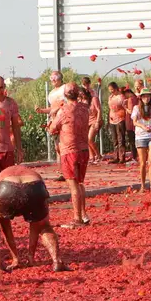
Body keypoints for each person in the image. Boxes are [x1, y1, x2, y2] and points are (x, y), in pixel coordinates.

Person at [0, 165, 67, 272]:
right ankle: (57, 261)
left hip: (7, 188)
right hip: (35, 187)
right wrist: (30, 256)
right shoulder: (30, 171)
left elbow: (5, 227)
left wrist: (15, 257)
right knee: (44, 225)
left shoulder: (1, 175)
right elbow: (35, 224)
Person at [48, 83, 91, 226]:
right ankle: (83, 215)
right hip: (84, 149)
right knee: (80, 183)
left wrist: (53, 114)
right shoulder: (85, 109)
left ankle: (77, 218)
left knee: (73, 185)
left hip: (69, 151)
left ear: (65, 95)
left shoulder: (63, 111)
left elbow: (53, 129)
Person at [132, 92, 151, 192]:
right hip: (140, 136)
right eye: (144, 96)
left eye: (148, 96)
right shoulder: (136, 108)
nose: (146, 98)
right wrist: (143, 126)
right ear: (141, 98)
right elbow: (134, 122)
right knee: (143, 163)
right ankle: (143, 185)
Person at [81, 76, 103, 161]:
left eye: (86, 84)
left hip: (94, 120)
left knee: (90, 138)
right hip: (86, 121)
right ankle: (92, 156)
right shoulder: (82, 100)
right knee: (87, 139)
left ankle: (98, 155)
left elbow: (99, 110)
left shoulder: (94, 97)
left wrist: (97, 121)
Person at [107, 84, 128, 164]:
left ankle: (122, 157)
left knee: (121, 139)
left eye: (112, 89)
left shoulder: (121, 97)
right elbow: (110, 108)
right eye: (110, 90)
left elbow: (125, 107)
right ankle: (116, 156)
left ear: (116, 88)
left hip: (120, 119)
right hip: (112, 120)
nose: (111, 91)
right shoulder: (110, 97)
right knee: (114, 139)